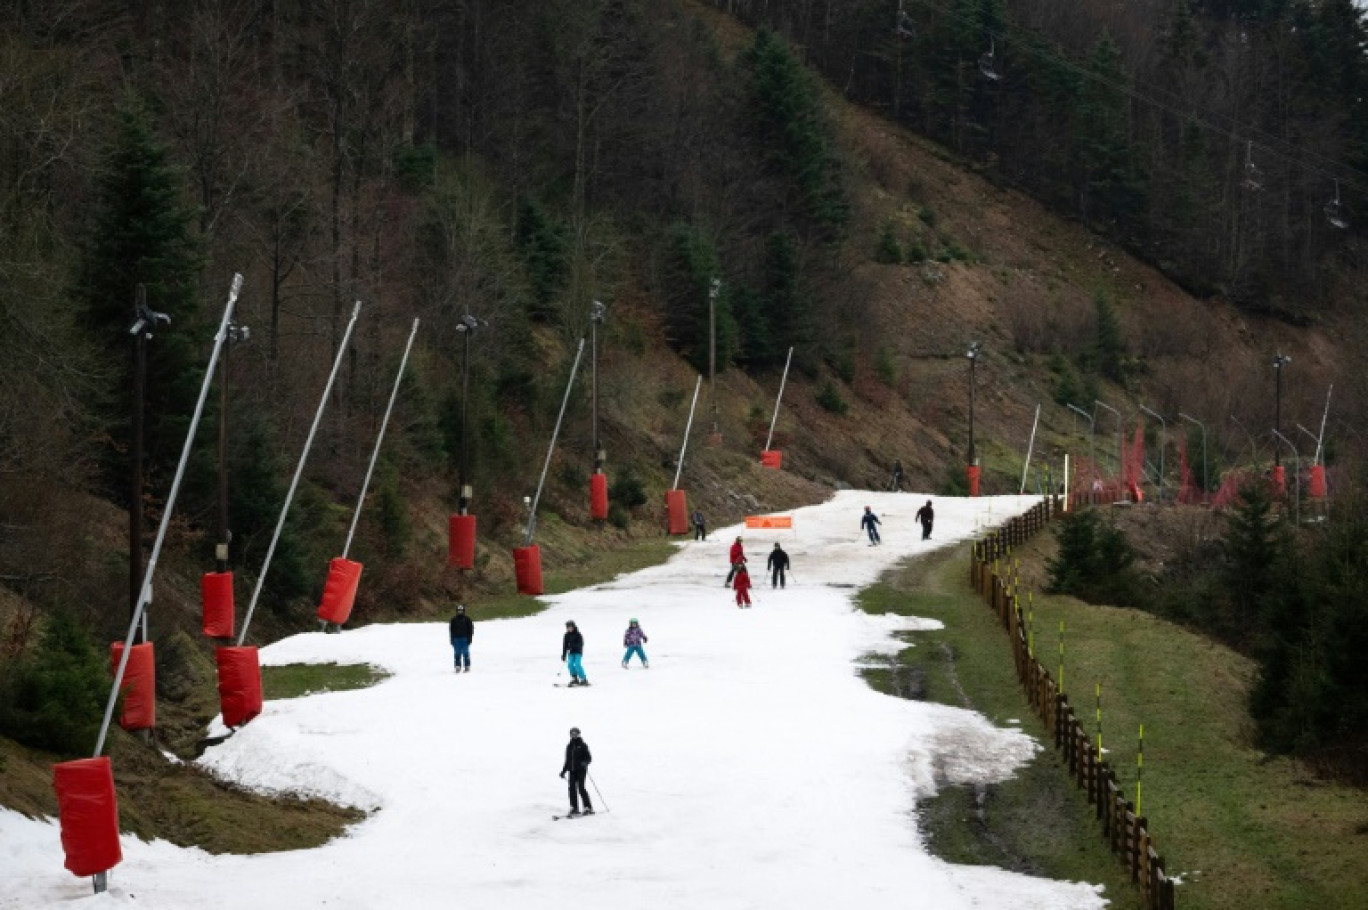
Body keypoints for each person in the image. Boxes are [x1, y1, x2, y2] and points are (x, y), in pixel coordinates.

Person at [559, 727, 594, 817]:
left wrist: (584, 762)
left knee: (581, 788)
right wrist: (563, 771)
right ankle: (574, 808)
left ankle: (588, 807)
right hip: (572, 770)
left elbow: (589, 758)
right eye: (572, 734)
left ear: (578, 734)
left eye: (575, 733)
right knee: (572, 789)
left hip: (581, 770)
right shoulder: (569, 746)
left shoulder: (582, 745)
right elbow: (567, 761)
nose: (573, 735)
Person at [562, 620, 589, 687]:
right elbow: (565, 645)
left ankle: (583, 679)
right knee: (570, 664)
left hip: (578, 652)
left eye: (570, 627)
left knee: (577, 664)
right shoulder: (566, 635)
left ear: (573, 627)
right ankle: (574, 678)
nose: (569, 629)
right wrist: (564, 654)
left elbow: (581, 644)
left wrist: (572, 647)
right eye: (568, 628)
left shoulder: (578, 634)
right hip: (571, 653)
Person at [448, 604, 473, 673]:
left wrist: (470, 638)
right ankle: (457, 666)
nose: (460, 612)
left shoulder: (467, 620)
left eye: (461, 611)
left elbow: (470, 630)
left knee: (466, 653)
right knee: (457, 653)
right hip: (456, 639)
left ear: (464, 611)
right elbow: (451, 630)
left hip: (465, 639)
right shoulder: (453, 620)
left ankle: (467, 666)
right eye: (459, 611)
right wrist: (451, 639)